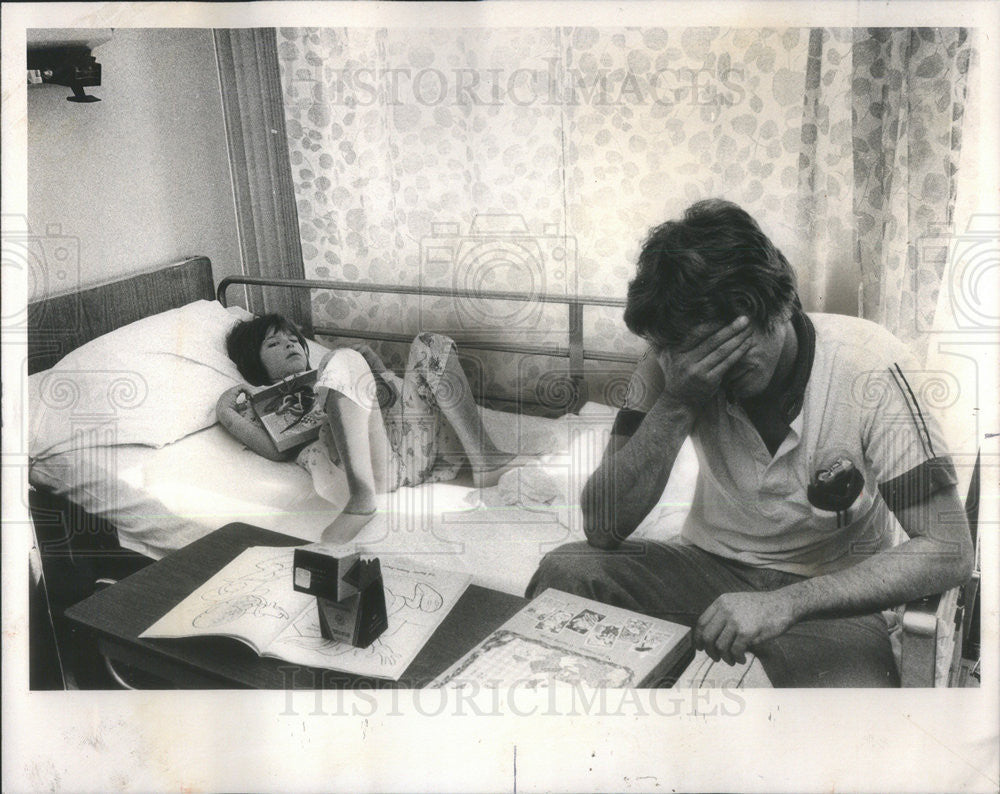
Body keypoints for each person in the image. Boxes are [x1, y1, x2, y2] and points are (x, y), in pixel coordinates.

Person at [526, 199, 974, 687]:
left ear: (778, 307)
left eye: (731, 354)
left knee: (852, 724)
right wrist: (678, 400)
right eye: (700, 358)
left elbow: (948, 548)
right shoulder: (673, 367)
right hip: (705, 568)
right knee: (568, 571)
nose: (715, 373)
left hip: (827, 594)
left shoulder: (871, 365)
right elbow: (603, 527)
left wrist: (785, 604)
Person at [218, 315, 515, 544]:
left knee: (428, 342)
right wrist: (228, 414)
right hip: (374, 472)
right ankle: (361, 499)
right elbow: (275, 449)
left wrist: (376, 370)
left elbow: (389, 403)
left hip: (415, 451)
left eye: (293, 339)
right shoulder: (267, 403)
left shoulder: (330, 375)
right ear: (256, 367)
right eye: (273, 344)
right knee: (341, 358)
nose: (289, 344)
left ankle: (485, 459)